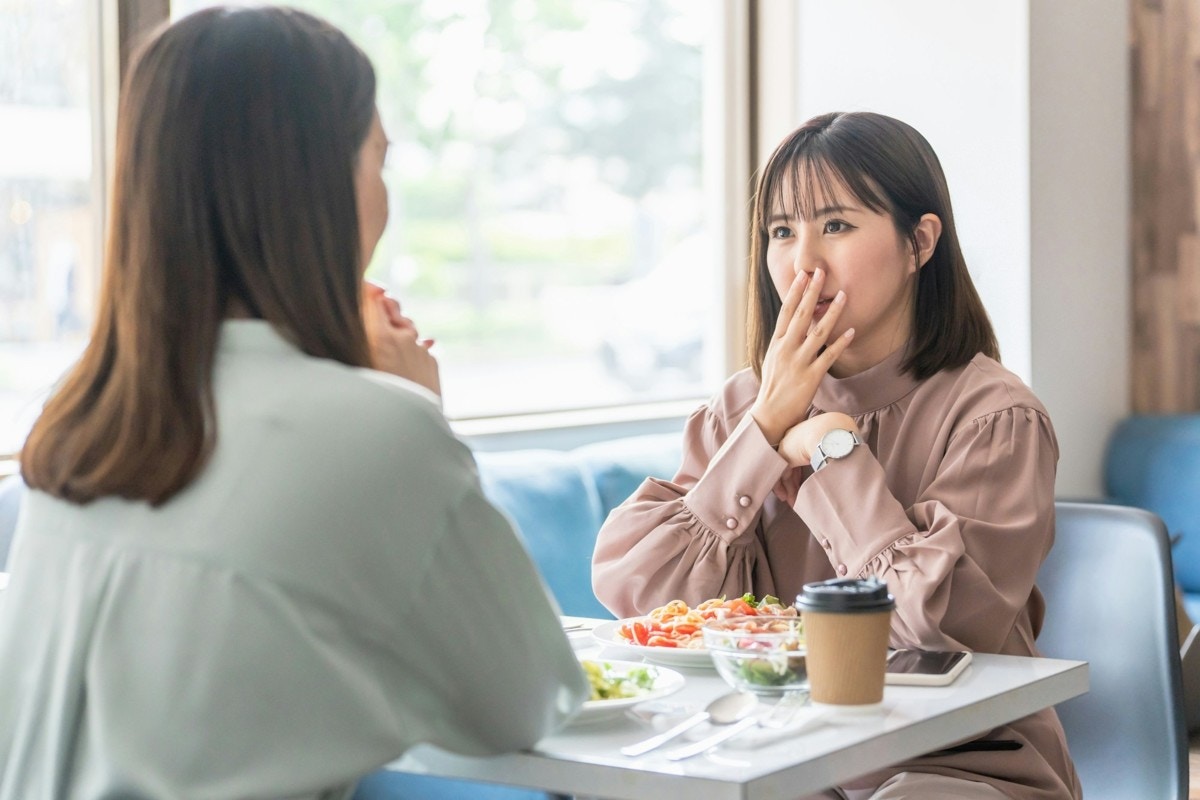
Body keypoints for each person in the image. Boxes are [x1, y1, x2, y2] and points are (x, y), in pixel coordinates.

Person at [0, 6, 587, 799]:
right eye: (377, 161)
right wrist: (412, 409)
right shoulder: (375, 432)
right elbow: (529, 704)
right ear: (320, 190)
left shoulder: (78, 426)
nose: (384, 196)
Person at [592, 111, 1081, 800]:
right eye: (782, 231)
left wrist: (831, 448)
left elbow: (928, 625)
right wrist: (762, 432)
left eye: (837, 226)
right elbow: (643, 598)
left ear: (920, 241)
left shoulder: (996, 418)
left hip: (955, 765)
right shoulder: (741, 409)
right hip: (779, 758)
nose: (803, 262)